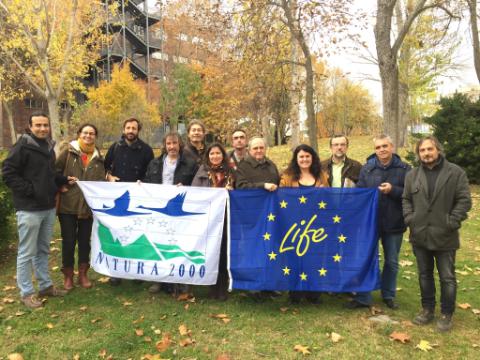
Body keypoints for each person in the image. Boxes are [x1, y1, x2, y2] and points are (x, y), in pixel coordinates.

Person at [2, 112, 74, 308]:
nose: (43, 128)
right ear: (30, 126)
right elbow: (8, 173)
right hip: (29, 209)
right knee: (26, 251)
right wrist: (30, 191)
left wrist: (63, 180)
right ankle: (26, 292)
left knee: (42, 249)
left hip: (48, 207)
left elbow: (49, 175)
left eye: (45, 125)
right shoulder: (22, 147)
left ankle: (45, 286)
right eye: (38, 125)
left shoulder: (48, 147)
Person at [403, 136, 471, 332]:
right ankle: (427, 309)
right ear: (419, 154)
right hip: (420, 234)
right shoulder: (412, 175)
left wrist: (452, 221)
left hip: (445, 235)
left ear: (438, 150)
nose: (426, 153)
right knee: (424, 275)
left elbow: (464, 200)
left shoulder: (455, 173)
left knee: (447, 277)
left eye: (429, 149)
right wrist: (410, 219)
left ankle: (446, 313)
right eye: (422, 150)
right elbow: (406, 199)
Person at [345, 134, 410, 310]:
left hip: (394, 222)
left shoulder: (405, 169)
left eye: (385, 146)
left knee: (392, 261)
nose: (381, 150)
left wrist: (393, 190)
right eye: (378, 147)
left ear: (392, 147)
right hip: (370, 224)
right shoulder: (367, 169)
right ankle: (363, 296)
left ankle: (388, 295)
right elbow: (360, 193)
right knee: (366, 259)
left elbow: (411, 194)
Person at [143, 132, 198, 294]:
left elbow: (197, 187)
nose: (172, 147)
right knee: (158, 242)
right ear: (164, 146)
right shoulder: (154, 163)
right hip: (159, 213)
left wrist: (186, 188)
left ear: (180, 144)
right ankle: (158, 280)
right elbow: (147, 182)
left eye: (175, 143)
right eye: (168, 144)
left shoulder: (190, 164)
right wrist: (141, 186)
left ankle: (179, 279)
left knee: (177, 244)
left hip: (177, 212)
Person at [55, 123, 105, 291]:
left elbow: (101, 181)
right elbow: (54, 172)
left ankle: (83, 273)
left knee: (85, 242)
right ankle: (68, 275)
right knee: (69, 242)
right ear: (79, 134)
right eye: (85, 133)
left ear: (95, 136)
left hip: (88, 208)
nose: (88, 136)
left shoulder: (99, 157)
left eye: (91, 133)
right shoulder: (68, 152)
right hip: (68, 206)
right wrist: (62, 184)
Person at [104, 118, 154, 286]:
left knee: (136, 234)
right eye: (128, 128)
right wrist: (109, 176)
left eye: (134, 128)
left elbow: (151, 172)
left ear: (138, 130)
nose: (131, 130)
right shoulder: (115, 147)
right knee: (117, 233)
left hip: (137, 199)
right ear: (123, 129)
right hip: (118, 199)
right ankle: (116, 271)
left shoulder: (146, 150)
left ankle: (136, 271)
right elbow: (105, 168)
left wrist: (144, 184)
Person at [280, 144, 328, 304]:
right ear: (296, 159)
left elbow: (328, 199)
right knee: (295, 257)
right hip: (294, 224)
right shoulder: (287, 177)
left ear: (312, 158)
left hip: (316, 224)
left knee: (314, 258)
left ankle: (313, 293)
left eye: (307, 156)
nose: (304, 159)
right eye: (301, 156)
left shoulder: (321, 176)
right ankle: (295, 293)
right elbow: (281, 199)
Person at [192, 143, 234, 300]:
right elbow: (194, 192)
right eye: (212, 154)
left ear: (223, 155)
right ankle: (212, 285)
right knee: (210, 252)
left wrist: (232, 192)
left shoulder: (231, 172)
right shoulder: (202, 172)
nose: (215, 156)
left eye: (218, 153)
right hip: (208, 219)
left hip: (225, 218)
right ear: (208, 156)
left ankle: (222, 286)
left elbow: (240, 191)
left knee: (223, 252)